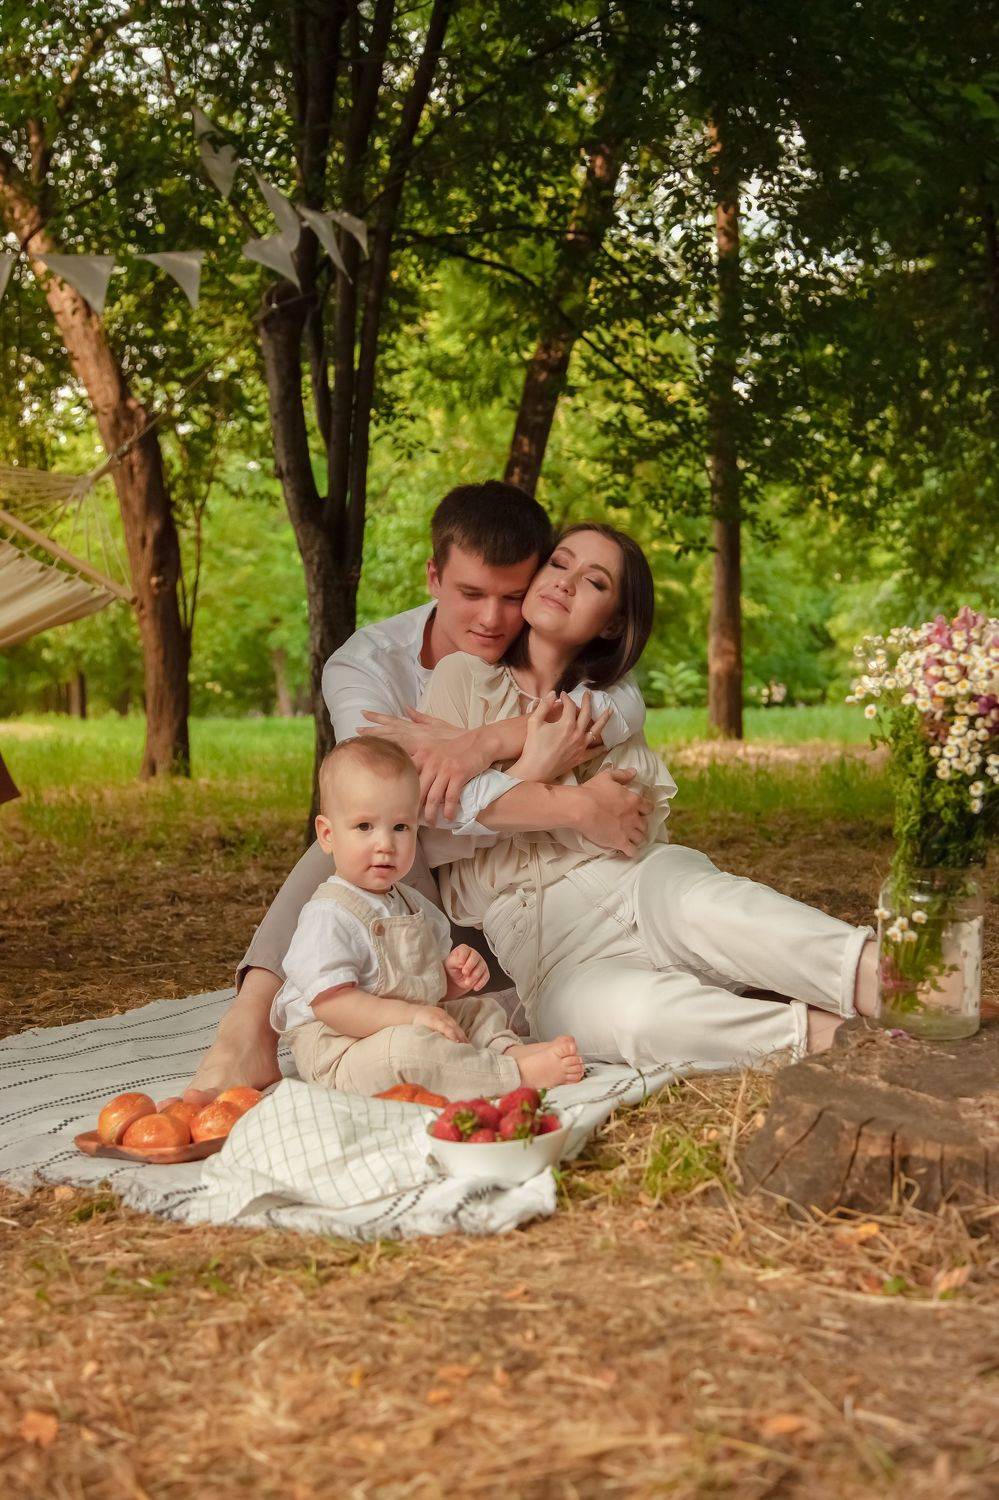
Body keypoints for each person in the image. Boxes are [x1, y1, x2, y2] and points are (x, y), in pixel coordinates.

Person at [185, 482, 652, 1102]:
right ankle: (250, 1023)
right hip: (407, 906)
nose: (491, 619)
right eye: (471, 594)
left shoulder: (569, 663)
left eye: (513, 596)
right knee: (367, 831)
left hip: (504, 917)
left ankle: (269, 1023)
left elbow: (621, 705)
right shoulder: (367, 665)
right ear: (433, 576)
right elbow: (389, 813)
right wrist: (559, 792)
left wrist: (481, 744)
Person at [416, 522, 880, 1072]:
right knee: (638, 1019)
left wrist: (506, 796)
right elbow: (440, 829)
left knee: (714, 908)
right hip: (548, 948)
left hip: (642, 885)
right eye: (559, 563)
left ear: (614, 621)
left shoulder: (609, 704)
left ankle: (891, 983)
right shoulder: (462, 679)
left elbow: (627, 826)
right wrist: (559, 787)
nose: (565, 582)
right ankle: (831, 1038)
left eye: (594, 581)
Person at [276, 736, 584, 1097]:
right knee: (408, 1052)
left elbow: (425, 988)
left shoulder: (411, 904)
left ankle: (508, 1050)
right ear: (328, 835)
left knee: (475, 1011)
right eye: (364, 827)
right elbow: (333, 1005)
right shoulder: (329, 915)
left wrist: (451, 977)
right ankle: (514, 1075)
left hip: (407, 1021)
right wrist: (411, 1017)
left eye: (400, 827)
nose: (385, 844)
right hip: (343, 1051)